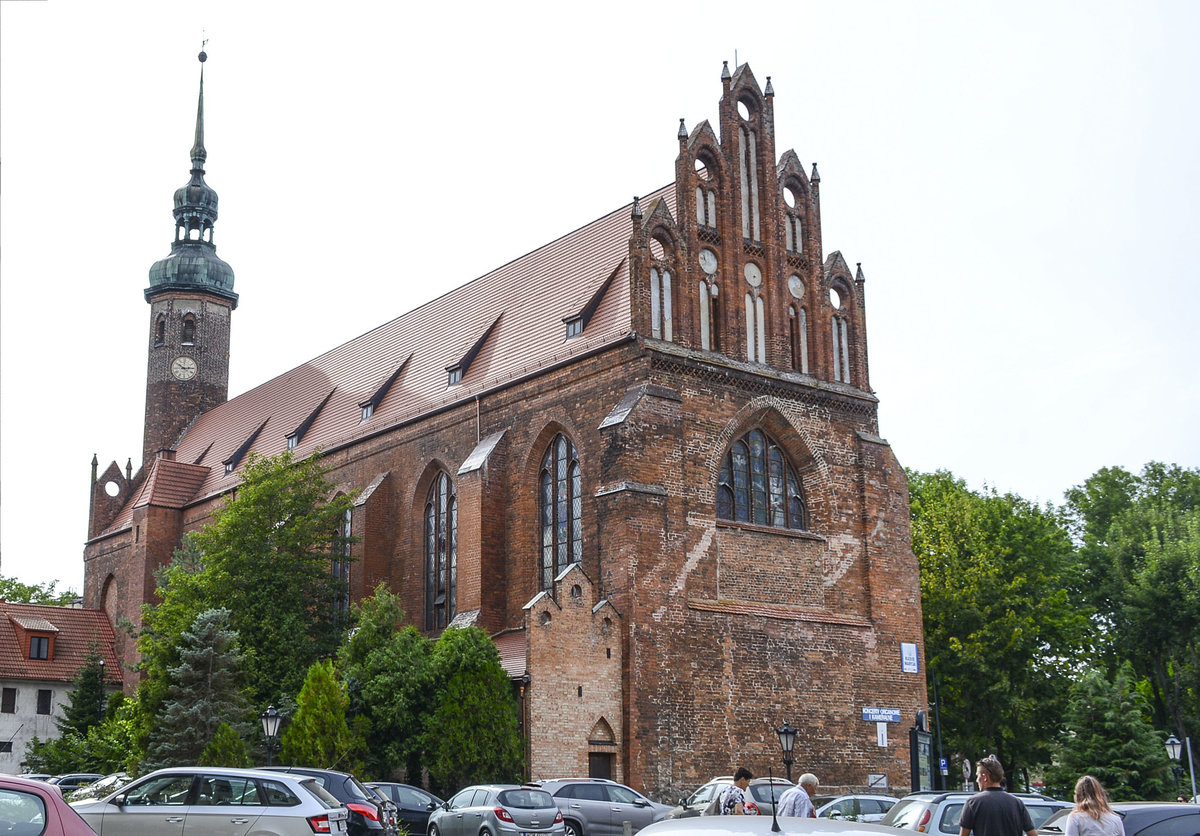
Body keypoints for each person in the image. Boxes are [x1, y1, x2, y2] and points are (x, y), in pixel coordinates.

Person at [959, 757, 1037, 836]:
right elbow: (1032, 834)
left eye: (977, 776)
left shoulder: (973, 803)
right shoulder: (1017, 803)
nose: (977, 780)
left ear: (985, 777)